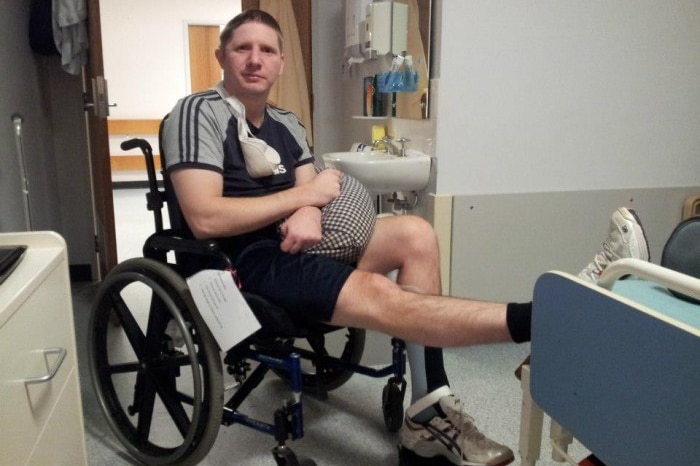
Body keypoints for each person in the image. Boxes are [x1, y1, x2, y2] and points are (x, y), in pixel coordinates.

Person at [162, 10, 649, 466]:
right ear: (222, 56)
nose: (254, 59)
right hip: (243, 261)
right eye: (243, 48)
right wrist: (300, 200)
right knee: (379, 293)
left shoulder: (286, 122)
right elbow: (205, 218)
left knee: (416, 233)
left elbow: (312, 189)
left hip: (302, 243)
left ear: (281, 61)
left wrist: (309, 208)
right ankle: (552, 315)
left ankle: (427, 410)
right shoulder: (198, 114)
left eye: (267, 50)